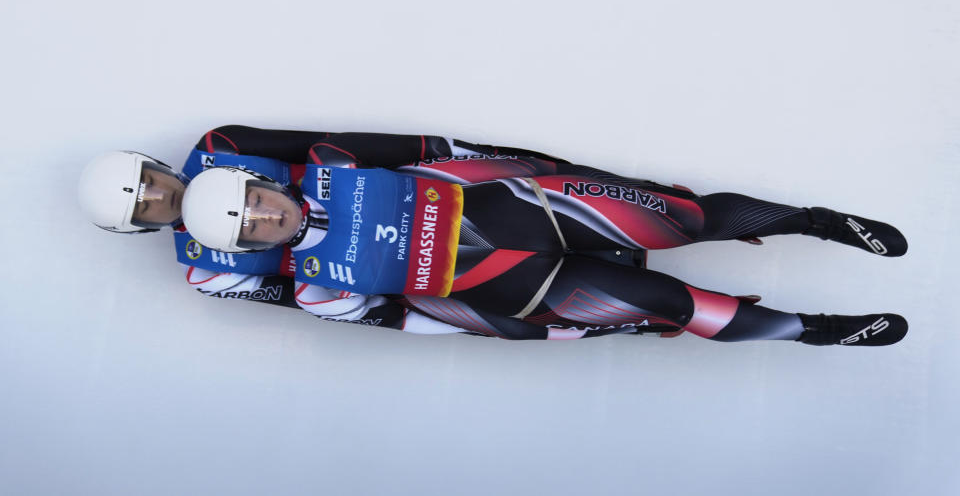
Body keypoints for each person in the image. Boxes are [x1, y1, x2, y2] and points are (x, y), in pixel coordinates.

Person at [179, 140, 910, 346]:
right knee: (677, 306)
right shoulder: (312, 281)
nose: (266, 216)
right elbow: (399, 316)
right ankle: (811, 332)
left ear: (262, 179)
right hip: (514, 289)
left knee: (686, 218)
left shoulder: (335, 171)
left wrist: (532, 167)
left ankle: (817, 222)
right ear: (247, 246)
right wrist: (511, 331)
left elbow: (426, 151)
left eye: (259, 199)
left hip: (525, 211)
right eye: (251, 225)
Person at [77, 125, 584, 323]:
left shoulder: (219, 148)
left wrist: (452, 155)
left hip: (410, 202)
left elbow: (326, 146)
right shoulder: (205, 269)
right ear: (140, 227)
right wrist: (396, 307)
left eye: (150, 181)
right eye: (146, 207)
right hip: (394, 266)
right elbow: (294, 290)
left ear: (156, 166)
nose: (162, 196)